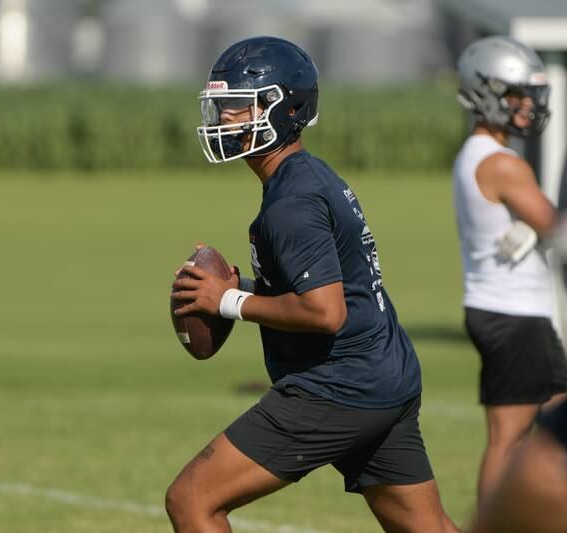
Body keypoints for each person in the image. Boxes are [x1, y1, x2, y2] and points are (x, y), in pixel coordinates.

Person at [166, 36, 459, 533]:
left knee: (192, 500)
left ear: (286, 108)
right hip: (385, 376)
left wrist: (230, 300)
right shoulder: (307, 178)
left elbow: (325, 311)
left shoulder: (291, 202)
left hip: (337, 389)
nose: (224, 119)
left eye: (238, 106)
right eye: (223, 107)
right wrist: (251, 288)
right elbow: (335, 286)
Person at [452, 35, 567, 507]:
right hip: (518, 314)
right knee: (518, 437)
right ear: (484, 93)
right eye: (513, 95)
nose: (525, 106)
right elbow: (553, 226)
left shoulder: (478, 154)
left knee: (511, 435)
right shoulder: (501, 162)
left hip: (495, 308)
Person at [470, 217, 567, 533]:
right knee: (511, 439)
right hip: (513, 312)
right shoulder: (497, 164)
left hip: (512, 309)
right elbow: (549, 219)